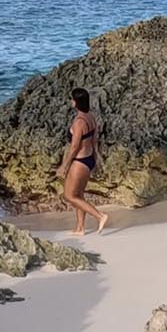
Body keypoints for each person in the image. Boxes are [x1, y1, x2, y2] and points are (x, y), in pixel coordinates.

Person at [55, 86, 109, 236]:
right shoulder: (91, 117)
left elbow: (74, 147)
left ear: (75, 102)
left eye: (72, 99)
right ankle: (80, 228)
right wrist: (97, 158)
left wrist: (64, 166)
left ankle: (100, 216)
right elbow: (95, 140)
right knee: (79, 194)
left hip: (79, 162)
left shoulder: (79, 122)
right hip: (89, 159)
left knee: (69, 196)